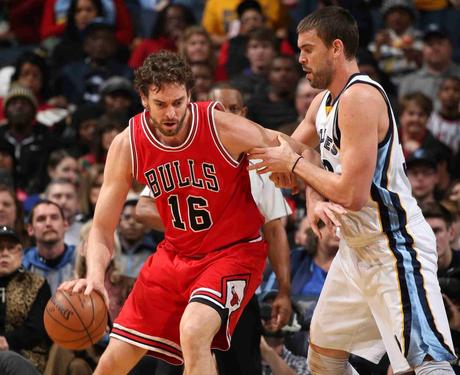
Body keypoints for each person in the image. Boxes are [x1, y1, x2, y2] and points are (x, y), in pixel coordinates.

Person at [59, 50, 305, 374]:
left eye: (178, 102)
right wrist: (94, 277)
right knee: (112, 363)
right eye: (161, 104)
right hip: (175, 256)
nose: (171, 113)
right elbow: (103, 227)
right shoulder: (127, 144)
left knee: (193, 331)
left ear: (190, 95)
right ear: (144, 98)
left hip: (231, 254)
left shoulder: (221, 125)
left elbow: (296, 148)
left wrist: (304, 175)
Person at [249, 6, 456, 374]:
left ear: (336, 48)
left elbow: (350, 194)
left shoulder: (360, 98)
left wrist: (293, 168)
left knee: (427, 363)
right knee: (323, 355)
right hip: (355, 250)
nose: (300, 59)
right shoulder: (323, 102)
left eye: (308, 49)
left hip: (393, 246)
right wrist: (310, 198)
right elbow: (296, 149)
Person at [136, 83, 293, 374]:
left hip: (237, 287)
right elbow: (142, 208)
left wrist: (284, 290)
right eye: (221, 109)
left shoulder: (261, 164)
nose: (228, 115)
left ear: (244, 114)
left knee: (242, 368)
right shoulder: (180, 150)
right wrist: (202, 226)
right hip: (185, 280)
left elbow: (275, 230)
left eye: (234, 109)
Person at [0, 226, 51, 373]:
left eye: (10, 248)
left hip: (28, 357)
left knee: (10, 360)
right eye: (0, 248)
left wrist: (7, 341)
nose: (4, 253)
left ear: (21, 253)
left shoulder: (37, 283)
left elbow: (36, 329)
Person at [23, 200, 76, 294]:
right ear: (30, 229)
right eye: (41, 219)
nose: (48, 223)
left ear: (65, 224)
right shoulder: (22, 263)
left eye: (54, 218)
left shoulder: (81, 259)